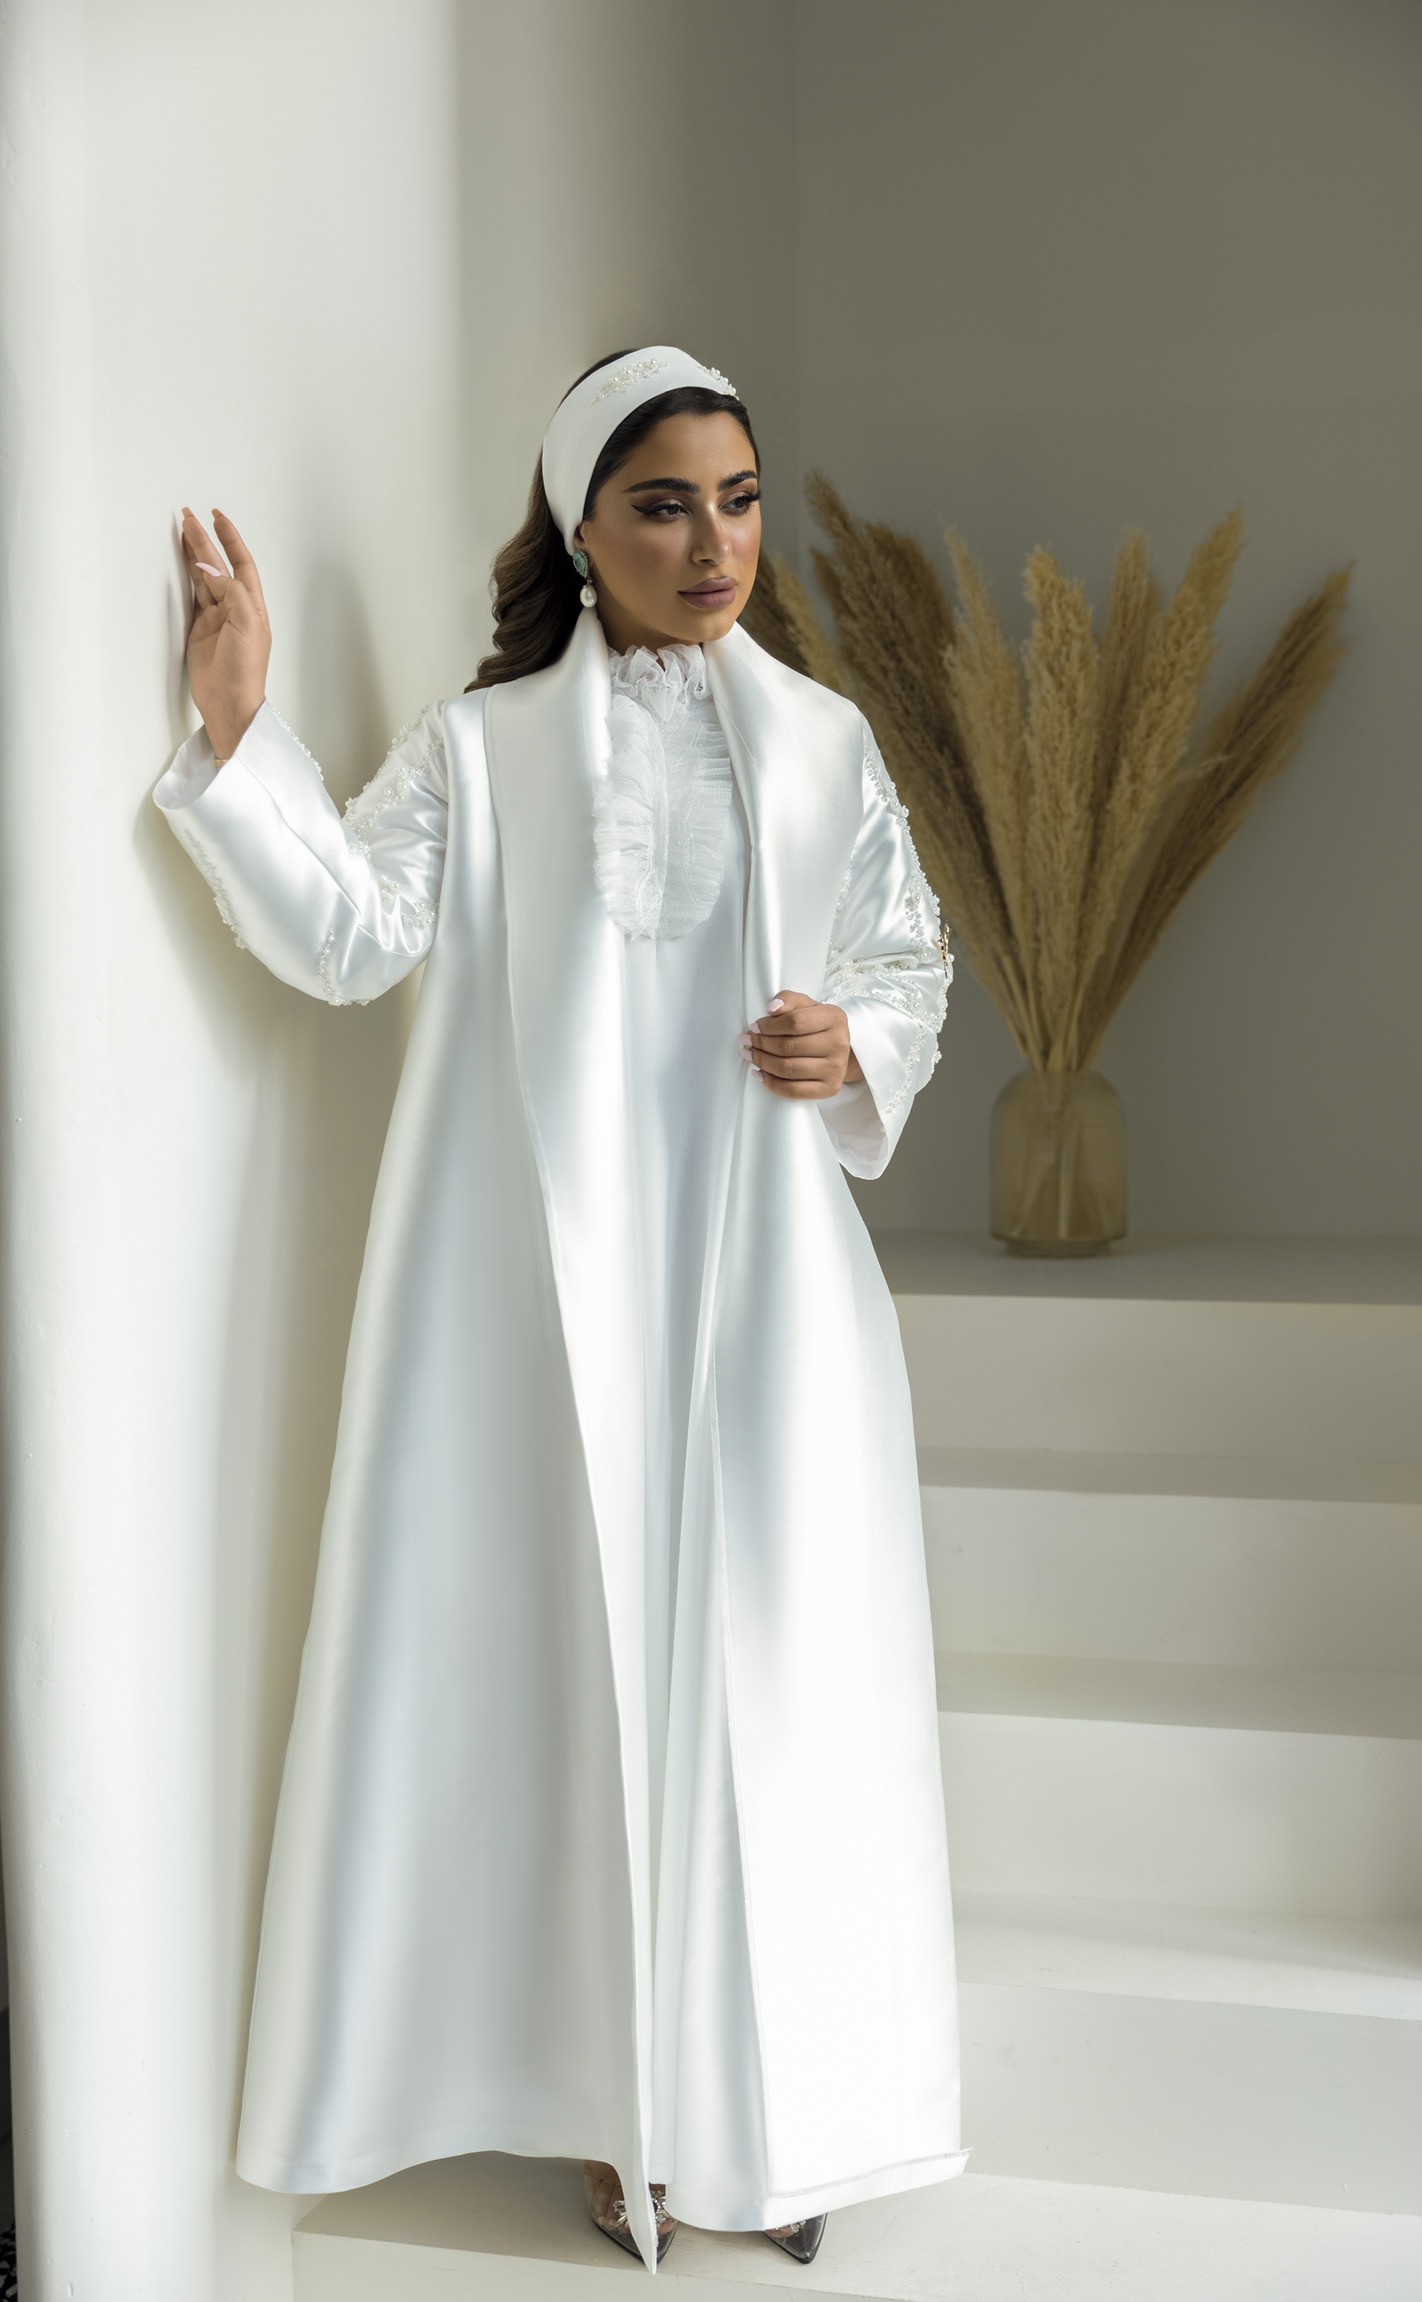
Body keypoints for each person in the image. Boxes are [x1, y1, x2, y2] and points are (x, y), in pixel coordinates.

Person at [160, 347, 962, 2272]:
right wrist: (239, 729)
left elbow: (909, 961)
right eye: (665, 505)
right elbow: (351, 930)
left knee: (770, 1690)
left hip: (763, 1295)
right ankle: (619, 2114)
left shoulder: (827, 744)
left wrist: (856, 1038)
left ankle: (772, 2125)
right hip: (543, 1301)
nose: (715, 542)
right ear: (583, 532)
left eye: (739, 499)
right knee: (579, 1687)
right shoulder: (481, 748)